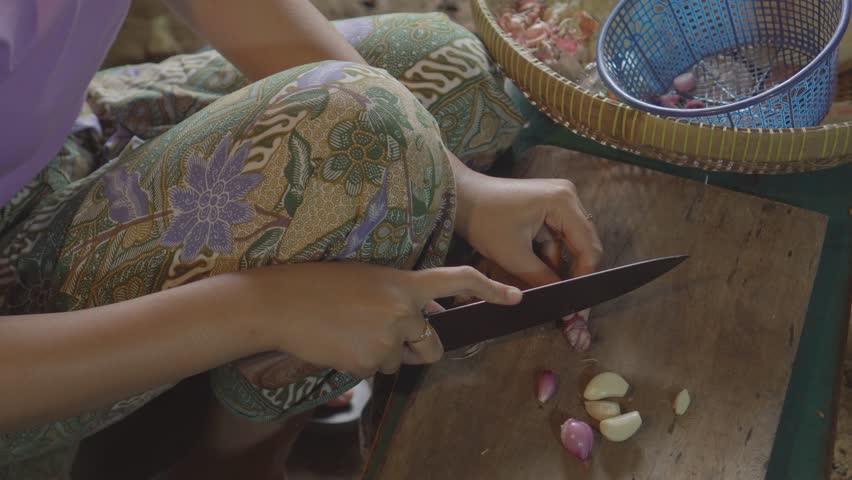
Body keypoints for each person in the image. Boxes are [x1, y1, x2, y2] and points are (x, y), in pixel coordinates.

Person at [0, 0, 603, 478]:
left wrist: (462, 187)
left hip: (56, 140)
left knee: (453, 76)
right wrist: (264, 309)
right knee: (371, 136)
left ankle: (241, 410)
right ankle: (231, 463)